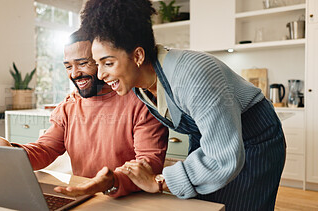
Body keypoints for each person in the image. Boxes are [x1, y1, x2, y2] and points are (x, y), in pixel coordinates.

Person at [79, 0, 286, 210]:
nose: (101, 74)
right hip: (210, 141)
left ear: (138, 56)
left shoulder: (192, 74)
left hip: (254, 140)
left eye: (108, 63)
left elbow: (224, 157)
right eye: (98, 64)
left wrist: (158, 182)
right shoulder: (139, 86)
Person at [0, 29, 168, 198]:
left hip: (130, 201)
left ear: (103, 61)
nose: (74, 74)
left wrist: (112, 181)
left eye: (83, 63)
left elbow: (148, 163)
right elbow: (46, 149)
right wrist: (12, 152)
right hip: (82, 196)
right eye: (68, 66)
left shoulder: (142, 102)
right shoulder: (69, 105)